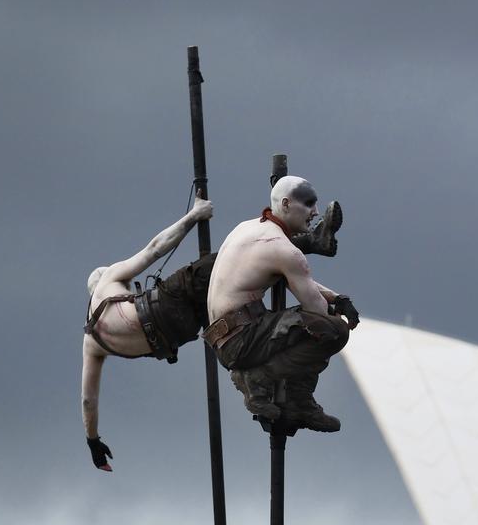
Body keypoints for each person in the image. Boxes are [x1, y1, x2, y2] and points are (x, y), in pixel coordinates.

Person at [82, 191, 344, 469]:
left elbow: (89, 399)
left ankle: (258, 381)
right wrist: (194, 215)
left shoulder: (91, 345)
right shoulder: (107, 280)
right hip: (170, 303)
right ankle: (311, 241)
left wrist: (93, 442)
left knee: (242, 280)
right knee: (238, 258)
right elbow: (155, 248)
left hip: (182, 330)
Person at [204, 176, 359, 433]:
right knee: (332, 330)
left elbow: (291, 277)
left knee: (321, 322)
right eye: (308, 204)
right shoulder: (284, 250)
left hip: (226, 336)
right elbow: (316, 309)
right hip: (242, 340)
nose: (315, 212)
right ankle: (261, 382)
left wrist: (338, 299)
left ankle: (296, 400)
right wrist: (335, 310)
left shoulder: (249, 229)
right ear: (286, 204)